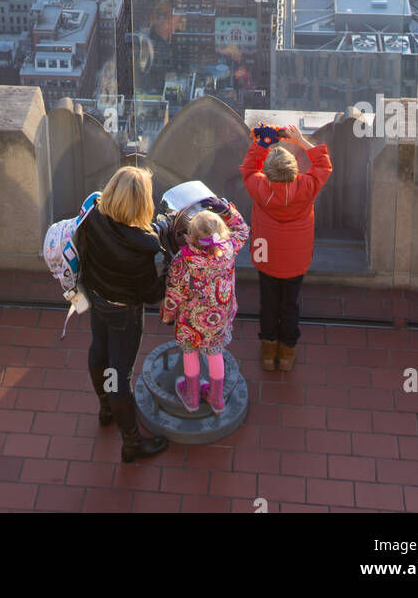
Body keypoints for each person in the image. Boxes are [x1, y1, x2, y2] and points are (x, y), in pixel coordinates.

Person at [75, 165, 169, 463]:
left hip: (96, 296)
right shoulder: (144, 248)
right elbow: (152, 294)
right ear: (143, 203)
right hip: (124, 311)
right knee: (120, 373)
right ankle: (131, 441)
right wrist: (167, 270)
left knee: (98, 351)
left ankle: (105, 408)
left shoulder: (92, 216)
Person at [240, 122, 332, 372]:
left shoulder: (259, 188)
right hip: (296, 259)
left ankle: (268, 352)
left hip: (265, 254)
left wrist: (262, 144)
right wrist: (301, 141)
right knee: (290, 304)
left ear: (267, 173)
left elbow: (249, 168)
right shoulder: (306, 188)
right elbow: (324, 165)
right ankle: (287, 351)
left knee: (268, 303)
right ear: (294, 170)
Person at [160, 198, 249, 414]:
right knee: (215, 353)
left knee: (190, 354)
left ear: (190, 237)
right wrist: (227, 209)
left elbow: (174, 293)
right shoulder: (228, 249)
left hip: (190, 321)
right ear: (221, 232)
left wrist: (167, 315)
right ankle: (217, 399)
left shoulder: (184, 260)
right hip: (219, 317)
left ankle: (191, 397)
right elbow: (243, 229)